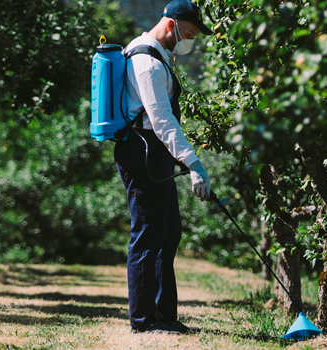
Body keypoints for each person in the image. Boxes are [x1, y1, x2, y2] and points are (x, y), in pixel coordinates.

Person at [114, 0, 214, 335]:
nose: (189, 41)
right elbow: (161, 121)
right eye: (187, 33)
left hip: (154, 153)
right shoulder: (147, 63)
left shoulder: (153, 54)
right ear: (170, 24)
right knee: (146, 235)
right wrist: (194, 163)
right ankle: (143, 321)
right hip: (143, 153)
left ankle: (164, 315)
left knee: (168, 232)